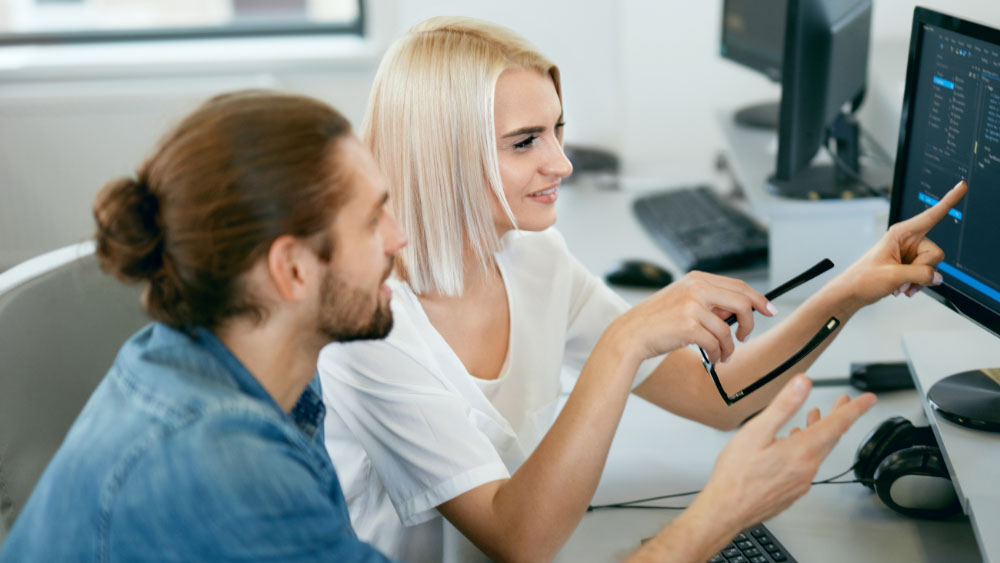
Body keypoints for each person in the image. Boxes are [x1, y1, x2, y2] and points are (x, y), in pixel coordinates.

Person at [317, 16, 968, 562]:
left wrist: (852, 289)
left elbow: (720, 395)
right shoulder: (370, 329)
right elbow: (518, 537)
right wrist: (625, 339)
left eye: (557, 130)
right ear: (442, 153)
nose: (562, 163)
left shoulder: (533, 256)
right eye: (525, 142)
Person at [0, 90, 408, 561]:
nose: (399, 237)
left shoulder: (200, 359)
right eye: (373, 220)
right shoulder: (222, 463)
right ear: (292, 269)